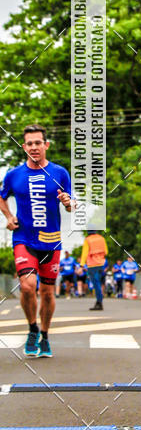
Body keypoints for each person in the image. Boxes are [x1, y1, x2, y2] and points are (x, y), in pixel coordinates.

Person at [0, 125, 72, 357]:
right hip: (24, 238)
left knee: (48, 293)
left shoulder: (60, 173)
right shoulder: (14, 175)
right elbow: (1, 197)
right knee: (28, 286)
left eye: (38, 143)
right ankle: (32, 327)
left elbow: (70, 203)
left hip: (51, 242)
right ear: (24, 147)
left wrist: (67, 201)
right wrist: (9, 217)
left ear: (46, 145)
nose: (34, 147)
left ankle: (45, 335)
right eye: (29, 143)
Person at [81, 231, 108, 311]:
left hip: (92, 264)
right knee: (98, 282)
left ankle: (99, 301)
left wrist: (82, 264)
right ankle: (98, 301)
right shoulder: (101, 238)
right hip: (101, 263)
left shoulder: (88, 240)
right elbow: (106, 251)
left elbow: (85, 253)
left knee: (96, 283)